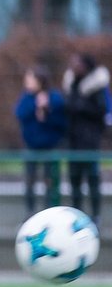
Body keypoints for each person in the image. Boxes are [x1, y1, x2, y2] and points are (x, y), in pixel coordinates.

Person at [62, 53, 108, 226]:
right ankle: (76, 214)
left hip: (89, 142)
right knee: (74, 180)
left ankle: (96, 215)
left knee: (92, 179)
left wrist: (81, 106)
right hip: (73, 142)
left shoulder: (96, 89)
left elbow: (101, 111)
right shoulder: (71, 85)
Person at [14, 65, 66, 215]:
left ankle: (49, 213)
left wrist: (47, 110)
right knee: (30, 181)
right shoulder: (27, 98)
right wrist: (35, 106)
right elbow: (20, 114)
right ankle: (30, 213)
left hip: (50, 147)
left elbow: (61, 123)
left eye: (30, 78)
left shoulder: (54, 98)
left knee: (50, 182)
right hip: (31, 146)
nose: (27, 81)